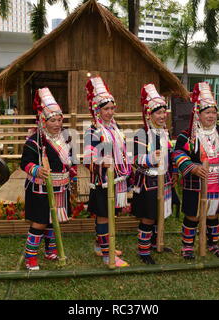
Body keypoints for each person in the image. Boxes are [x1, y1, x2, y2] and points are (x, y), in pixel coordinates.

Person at [173, 82, 219, 260]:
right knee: (193, 215)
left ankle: (212, 244)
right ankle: (187, 247)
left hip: (218, 179)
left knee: (213, 214)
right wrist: (192, 167)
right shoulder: (187, 134)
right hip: (196, 179)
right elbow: (177, 153)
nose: (211, 116)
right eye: (207, 112)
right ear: (198, 114)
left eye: (214, 112)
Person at [20, 88, 76, 271]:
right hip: (40, 189)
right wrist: (36, 170)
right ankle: (31, 257)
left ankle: (50, 250)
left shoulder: (66, 138)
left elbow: (71, 160)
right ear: (43, 121)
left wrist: (72, 173)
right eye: (53, 120)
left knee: (54, 220)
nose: (57, 123)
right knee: (40, 222)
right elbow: (25, 163)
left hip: (61, 187)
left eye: (60, 119)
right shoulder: (35, 141)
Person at [83, 76, 131, 268]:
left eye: (112, 108)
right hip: (103, 180)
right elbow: (88, 158)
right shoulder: (92, 131)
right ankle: (106, 253)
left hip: (116, 178)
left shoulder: (116, 128)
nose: (110, 112)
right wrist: (101, 162)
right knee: (104, 215)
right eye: (106, 109)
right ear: (97, 110)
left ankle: (99, 245)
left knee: (111, 214)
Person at [131, 84, 175, 264]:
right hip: (148, 181)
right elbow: (135, 158)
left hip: (164, 180)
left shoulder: (165, 133)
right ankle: (143, 250)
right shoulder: (141, 133)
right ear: (149, 115)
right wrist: (150, 158)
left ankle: (157, 243)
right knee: (148, 216)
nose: (162, 116)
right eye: (158, 113)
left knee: (159, 214)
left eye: (164, 112)